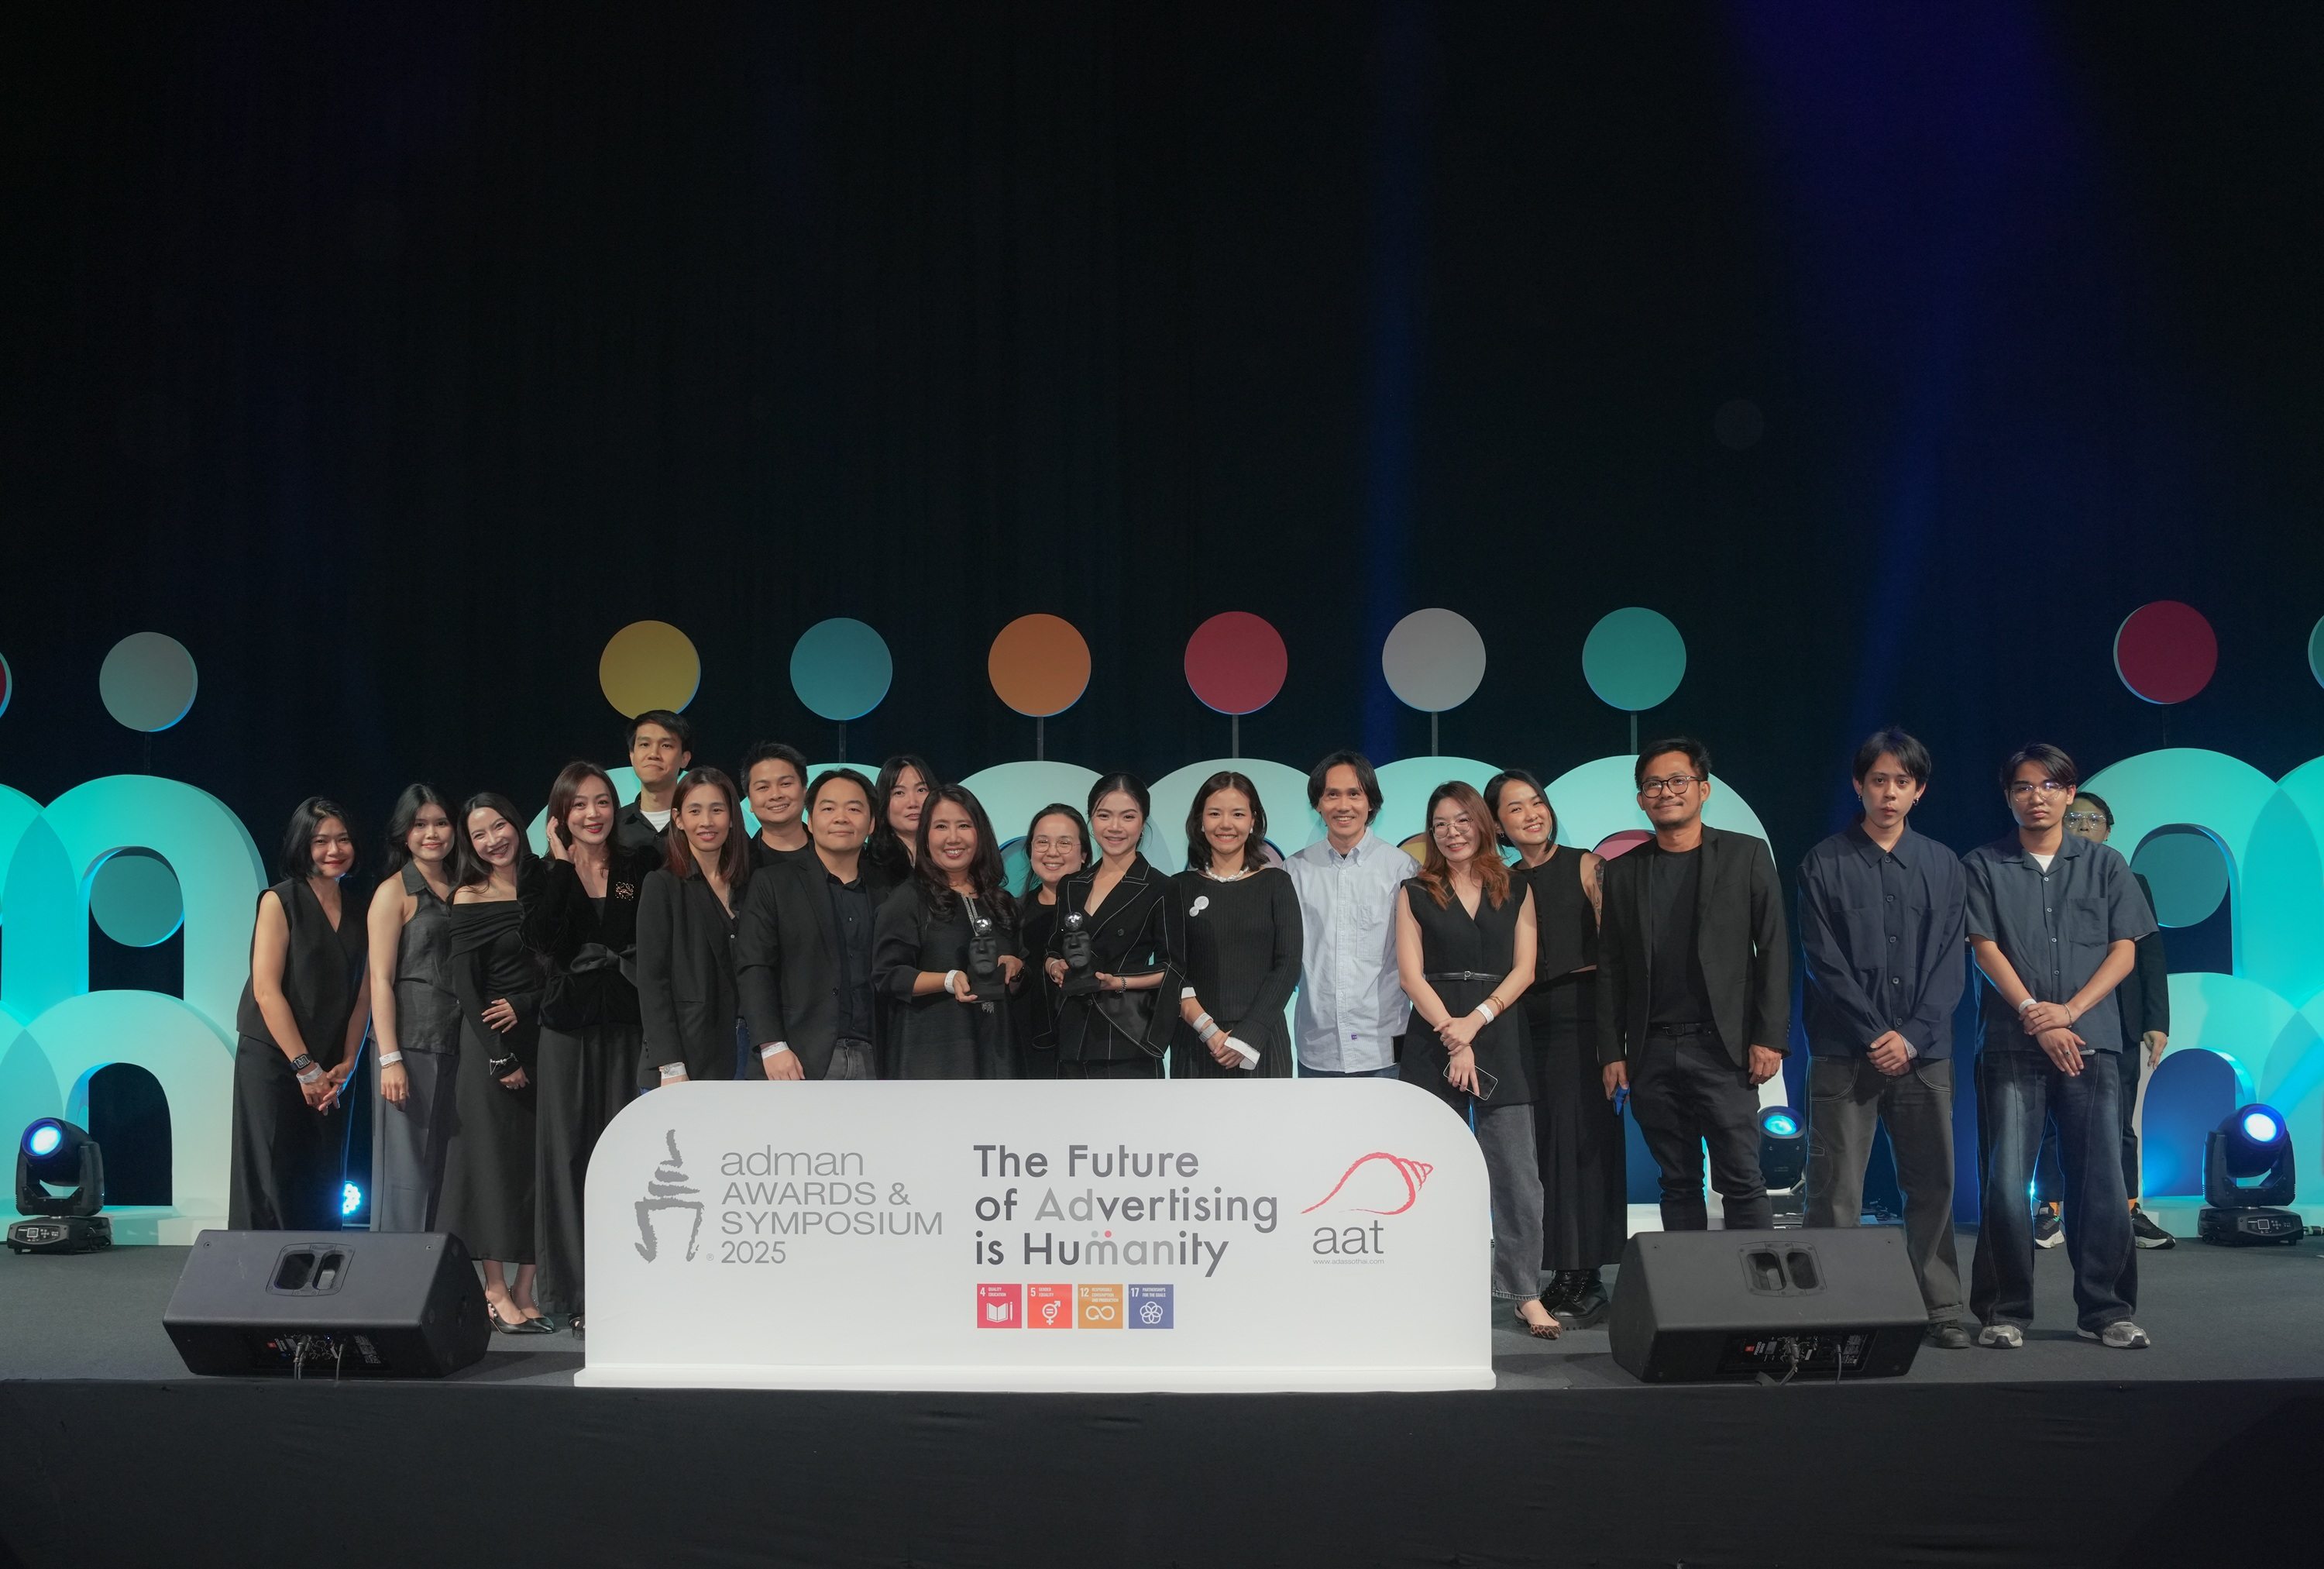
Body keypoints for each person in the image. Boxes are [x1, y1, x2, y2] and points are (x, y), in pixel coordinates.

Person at [1965, 745, 2156, 1351]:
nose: (2037, 796)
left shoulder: (2106, 864)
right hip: (2011, 1043)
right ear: (2008, 796)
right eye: (2023, 786)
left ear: (2070, 793)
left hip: (2091, 1043)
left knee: (2100, 1181)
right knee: (2005, 1182)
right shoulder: (1983, 864)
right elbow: (1984, 946)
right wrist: (2034, 1013)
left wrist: (2069, 1012)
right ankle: (2004, 1310)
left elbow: (2125, 950)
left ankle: (2106, 1310)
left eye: (2050, 785)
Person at [1796, 730, 1971, 1351]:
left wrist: (1912, 1036)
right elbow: (1823, 960)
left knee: (1933, 1183)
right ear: (1858, 785)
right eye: (1878, 780)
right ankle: (1828, 1311)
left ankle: (1942, 1305)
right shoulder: (1824, 862)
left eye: (1902, 782)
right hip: (1845, 1051)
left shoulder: (1944, 864)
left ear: (1919, 790)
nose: (1889, 793)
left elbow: (1952, 963)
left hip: (1925, 1054)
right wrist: (1876, 1034)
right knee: (1834, 1189)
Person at [1597, 738, 1790, 1233]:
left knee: (1742, 1179)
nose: (1666, 792)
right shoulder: (1622, 873)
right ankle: (1689, 1284)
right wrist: (1612, 1051)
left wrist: (1769, 1037)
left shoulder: (1746, 855)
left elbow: (1773, 950)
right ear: (1641, 800)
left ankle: (1759, 1283)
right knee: (1677, 1182)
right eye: (1653, 785)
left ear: (1703, 789)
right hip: (1653, 1050)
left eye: (1678, 780)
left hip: (1724, 1048)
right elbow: (1612, 968)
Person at [1396, 782, 1551, 1335]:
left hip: (1499, 1032)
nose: (1452, 832)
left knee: (1517, 1176)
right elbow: (1411, 975)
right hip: (1434, 1037)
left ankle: (1523, 1291)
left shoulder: (1517, 887)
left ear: (1483, 824)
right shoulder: (1413, 891)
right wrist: (1455, 1038)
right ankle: (1430, 1284)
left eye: (1462, 820)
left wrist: (1476, 1023)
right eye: (1440, 823)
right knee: (1425, 1172)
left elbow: (1524, 969)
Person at [525, 762, 658, 1328]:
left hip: (630, 1022)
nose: (592, 813)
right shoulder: (540, 873)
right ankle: (574, 1295)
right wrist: (562, 866)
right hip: (566, 1028)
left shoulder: (638, 865)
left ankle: (628, 1286)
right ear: (560, 814)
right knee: (567, 1157)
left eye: (602, 801)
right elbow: (541, 939)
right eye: (578, 804)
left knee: (628, 1156)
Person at [1487, 769, 1621, 1327]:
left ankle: (1585, 1273)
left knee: (1580, 1145)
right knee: (1537, 1150)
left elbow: (1616, 956)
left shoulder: (1587, 865)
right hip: (1520, 1022)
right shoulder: (1501, 881)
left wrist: (1614, 1043)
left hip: (1579, 1018)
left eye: (1536, 802)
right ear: (1498, 824)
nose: (1531, 814)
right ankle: (1554, 1271)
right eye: (1515, 808)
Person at [230, 798, 371, 1231]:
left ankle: (316, 1268)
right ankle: (257, 1272)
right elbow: (266, 991)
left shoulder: (361, 909)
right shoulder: (280, 900)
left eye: (343, 839)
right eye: (321, 841)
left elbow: (363, 996)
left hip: (330, 1065)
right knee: (271, 1179)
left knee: (323, 1178)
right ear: (301, 845)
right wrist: (304, 1067)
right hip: (274, 1059)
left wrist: (348, 1061)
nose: (334, 850)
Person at [440, 793, 550, 1333]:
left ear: (517, 824)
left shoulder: (544, 884)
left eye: (499, 826)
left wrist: (528, 1005)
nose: (492, 840)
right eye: (479, 834)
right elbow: (465, 987)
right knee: (492, 1169)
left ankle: (527, 1289)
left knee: (537, 1167)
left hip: (547, 1038)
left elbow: (563, 965)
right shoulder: (469, 895)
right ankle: (495, 1289)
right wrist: (501, 1058)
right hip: (491, 1048)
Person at [2054, 789, 2175, 1251]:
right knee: (2052, 1119)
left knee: (2120, 1120)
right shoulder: (2042, 876)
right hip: (2059, 1016)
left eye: (2093, 820)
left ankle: (2127, 1209)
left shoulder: (2132, 880)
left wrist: (2156, 1019)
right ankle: (2048, 1210)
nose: (2083, 827)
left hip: (2120, 1018)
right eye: (2074, 819)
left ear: (2108, 830)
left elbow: (2151, 955)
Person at [736, 768, 898, 1082]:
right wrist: (772, 1046)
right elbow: (754, 967)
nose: (841, 818)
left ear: (872, 824)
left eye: (854, 809)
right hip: (796, 1059)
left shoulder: (889, 891)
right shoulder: (774, 883)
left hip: (876, 1059)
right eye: (828, 808)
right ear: (810, 821)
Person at [872, 784, 1023, 1078]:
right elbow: (888, 976)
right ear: (925, 836)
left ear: (980, 833)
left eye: (964, 825)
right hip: (933, 1057)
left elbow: (1022, 977)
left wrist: (1017, 970)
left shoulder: (1002, 901)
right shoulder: (908, 899)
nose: (953, 837)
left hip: (1000, 1055)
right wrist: (948, 980)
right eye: (941, 826)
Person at [1284, 751, 1418, 1079]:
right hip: (1317, 1049)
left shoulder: (1403, 869)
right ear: (1318, 804)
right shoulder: (1294, 871)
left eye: (1354, 794)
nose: (1343, 805)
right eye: (1332, 794)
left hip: (1385, 1049)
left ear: (1371, 803)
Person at [363, 784, 459, 1233]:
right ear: (404, 833)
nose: (432, 834)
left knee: (447, 1168)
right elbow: (379, 980)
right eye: (420, 825)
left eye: (441, 823)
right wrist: (390, 1059)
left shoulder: (464, 885)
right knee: (406, 1175)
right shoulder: (393, 892)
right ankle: (393, 1272)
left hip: (459, 1043)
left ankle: (436, 1269)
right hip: (410, 1045)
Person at [1044, 774, 1184, 1079]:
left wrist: (1117, 982)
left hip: (1127, 1036)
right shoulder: (1071, 885)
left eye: (1128, 817)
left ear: (1143, 822)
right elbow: (1053, 947)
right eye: (1104, 815)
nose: (1115, 827)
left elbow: (1173, 968)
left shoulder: (1160, 887)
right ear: (1091, 819)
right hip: (1071, 1032)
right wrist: (1054, 965)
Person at [1172, 772, 1301, 1077]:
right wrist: (1209, 1032)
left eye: (1238, 814)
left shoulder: (1276, 883)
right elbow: (1172, 970)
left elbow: (1288, 965)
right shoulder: (1178, 887)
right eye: (1215, 813)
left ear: (1253, 821)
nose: (1226, 824)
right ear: (1200, 821)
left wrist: (1249, 1035)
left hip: (1263, 1042)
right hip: (1196, 1043)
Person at [636, 768, 751, 1087]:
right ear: (678, 819)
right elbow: (652, 981)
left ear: (732, 817)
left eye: (717, 810)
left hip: (745, 1052)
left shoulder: (750, 884)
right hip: (683, 1059)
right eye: (695, 811)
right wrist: (671, 1064)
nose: (707, 822)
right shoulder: (662, 885)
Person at [1010, 804, 1089, 1079]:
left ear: (1084, 854)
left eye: (1064, 843)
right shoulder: (1010, 913)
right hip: (1026, 1049)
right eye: (1042, 842)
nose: (1052, 852)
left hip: (1090, 1048)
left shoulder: (1101, 913)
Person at [613, 710, 693, 855]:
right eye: (645, 744)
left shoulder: (701, 823)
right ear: (632, 756)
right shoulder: (613, 825)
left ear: (684, 758)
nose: (654, 754)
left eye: (666, 745)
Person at [741, 741, 815, 868]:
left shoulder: (836, 852)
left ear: (805, 791)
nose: (776, 795)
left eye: (785, 784)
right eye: (763, 787)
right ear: (750, 801)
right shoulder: (738, 864)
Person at [865, 753, 934, 885]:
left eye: (921, 790)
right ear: (883, 802)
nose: (912, 803)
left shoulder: (949, 859)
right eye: (899, 793)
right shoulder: (869, 866)